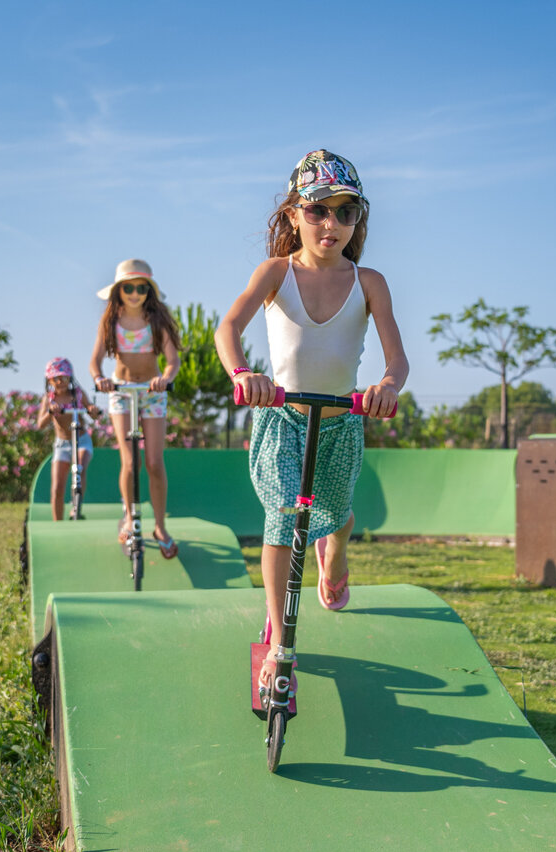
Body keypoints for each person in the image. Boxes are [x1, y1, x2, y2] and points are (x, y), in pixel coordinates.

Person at [215, 150, 408, 699]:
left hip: (342, 423)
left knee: (335, 516)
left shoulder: (370, 282)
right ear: (294, 214)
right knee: (282, 519)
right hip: (283, 418)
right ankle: (280, 641)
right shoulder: (276, 273)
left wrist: (387, 386)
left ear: (358, 220)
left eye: (346, 212)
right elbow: (228, 328)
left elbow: (397, 359)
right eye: (319, 209)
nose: (332, 223)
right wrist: (243, 373)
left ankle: (335, 550)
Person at [89, 258, 182, 559]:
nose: (134, 294)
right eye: (128, 288)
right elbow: (95, 362)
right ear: (118, 290)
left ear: (148, 292)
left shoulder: (156, 320)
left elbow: (172, 361)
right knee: (130, 462)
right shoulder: (110, 322)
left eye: (141, 288)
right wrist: (100, 379)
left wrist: (165, 379)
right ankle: (129, 518)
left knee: (154, 462)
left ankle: (160, 526)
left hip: (152, 393)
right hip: (122, 393)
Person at [36, 357, 102, 520]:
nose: (60, 382)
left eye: (64, 377)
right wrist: (51, 412)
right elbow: (40, 424)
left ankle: (76, 507)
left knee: (79, 468)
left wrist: (92, 410)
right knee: (57, 487)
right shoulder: (49, 399)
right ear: (49, 380)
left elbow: (91, 412)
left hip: (81, 440)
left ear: (70, 378)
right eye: (56, 378)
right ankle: (57, 521)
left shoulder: (77, 394)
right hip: (62, 444)